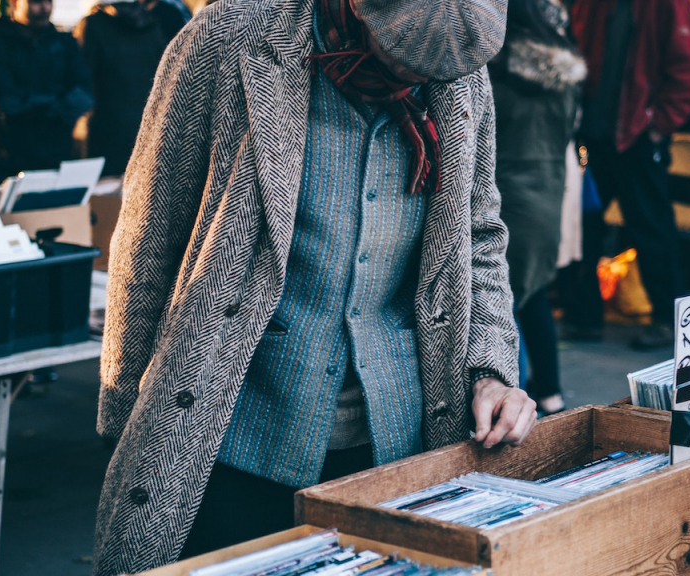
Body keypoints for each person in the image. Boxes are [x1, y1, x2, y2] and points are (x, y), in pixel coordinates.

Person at [91, 0, 536, 574]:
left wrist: (492, 369)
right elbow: (149, 235)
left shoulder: (458, 72)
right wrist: (124, 418)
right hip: (224, 434)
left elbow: (479, 237)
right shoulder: (226, 38)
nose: (415, 85)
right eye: (400, 63)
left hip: (397, 446)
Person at [569, 0, 690, 349]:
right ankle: (584, 317)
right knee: (584, 228)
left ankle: (669, 322)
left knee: (651, 230)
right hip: (596, 136)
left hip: (636, 138)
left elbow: (687, 65)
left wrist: (658, 125)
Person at [489, 0, 584, 415]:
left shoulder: (496, 68)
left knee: (499, 302)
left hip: (505, 191)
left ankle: (514, 396)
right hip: (549, 192)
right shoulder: (564, 71)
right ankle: (548, 392)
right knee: (532, 295)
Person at [0, 0, 93, 184]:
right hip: (9, 160)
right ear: (15, 3)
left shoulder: (63, 42)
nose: (45, 9)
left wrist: (34, 105)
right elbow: (5, 100)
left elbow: (84, 95)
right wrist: (56, 105)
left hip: (56, 157)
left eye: (49, 2)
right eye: (36, 3)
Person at [75, 0, 185, 176]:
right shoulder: (150, 23)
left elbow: (82, 79)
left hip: (106, 127)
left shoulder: (93, 25)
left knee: (103, 195)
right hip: (148, 125)